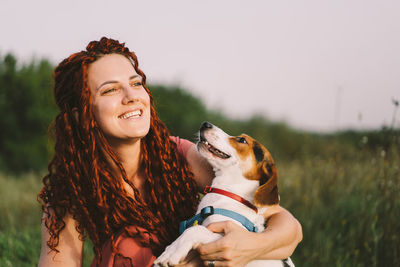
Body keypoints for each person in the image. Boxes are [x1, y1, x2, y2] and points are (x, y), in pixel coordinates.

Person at [38, 37, 302, 267]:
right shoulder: (70, 189)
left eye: (136, 83)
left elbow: (288, 228)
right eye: (110, 89)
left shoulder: (175, 154)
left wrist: (250, 247)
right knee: (128, 247)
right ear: (82, 115)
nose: (132, 96)